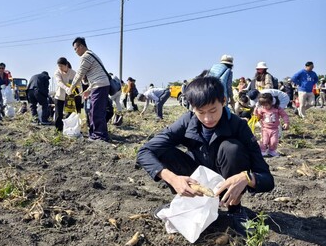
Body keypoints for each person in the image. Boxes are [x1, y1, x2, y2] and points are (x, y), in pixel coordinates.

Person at [137, 76, 275, 235]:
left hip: (226, 186)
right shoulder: (187, 121)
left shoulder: (239, 126)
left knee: (232, 148)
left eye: (213, 110)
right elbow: (144, 152)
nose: (208, 118)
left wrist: (246, 178)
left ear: (223, 101)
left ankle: (234, 209)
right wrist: (173, 178)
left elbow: (267, 179)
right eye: (201, 112)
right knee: (163, 150)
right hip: (196, 184)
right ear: (192, 107)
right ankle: (187, 202)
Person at [68, 37, 111, 142]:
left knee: (97, 111)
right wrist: (88, 89)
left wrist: (71, 87)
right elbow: (89, 78)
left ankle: (100, 136)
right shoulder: (91, 55)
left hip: (100, 86)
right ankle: (95, 134)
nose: (75, 51)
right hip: (98, 85)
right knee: (93, 110)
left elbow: (79, 74)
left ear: (81, 46)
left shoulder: (86, 56)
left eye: (75, 48)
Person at [253, 92, 289, 157]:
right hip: (265, 129)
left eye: (266, 105)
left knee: (274, 141)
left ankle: (271, 151)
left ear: (271, 102)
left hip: (274, 129)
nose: (264, 107)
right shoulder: (262, 109)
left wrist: (286, 122)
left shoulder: (277, 108)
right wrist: (256, 112)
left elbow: (284, 115)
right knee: (264, 141)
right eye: (263, 105)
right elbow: (258, 118)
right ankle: (262, 151)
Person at [54, 57, 79, 132]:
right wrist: (66, 88)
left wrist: (78, 94)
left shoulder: (73, 73)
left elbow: (77, 83)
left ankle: (69, 129)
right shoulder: (57, 72)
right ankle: (58, 130)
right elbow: (59, 82)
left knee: (70, 114)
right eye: (59, 66)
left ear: (66, 65)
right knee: (59, 114)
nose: (60, 68)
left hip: (70, 96)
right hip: (59, 96)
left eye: (61, 66)